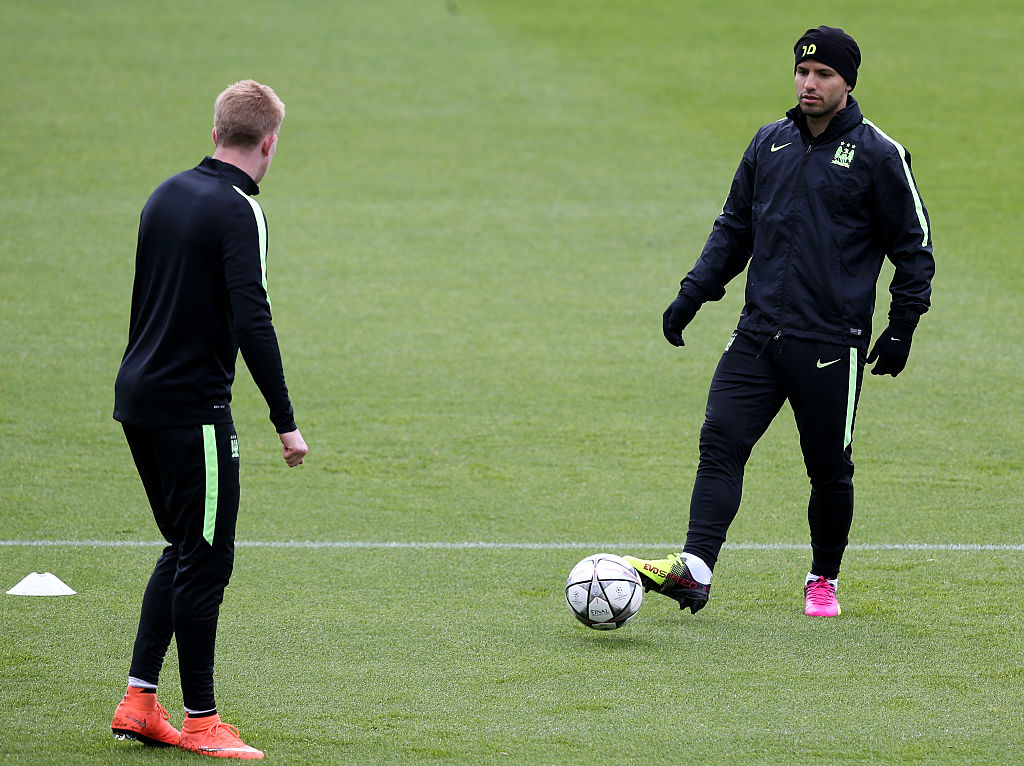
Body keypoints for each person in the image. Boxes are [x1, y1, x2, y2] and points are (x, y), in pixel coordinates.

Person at [624, 27, 934, 618]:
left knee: (828, 469)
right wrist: (693, 294)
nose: (809, 83)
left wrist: (903, 326)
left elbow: (913, 247)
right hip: (757, 335)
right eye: (802, 72)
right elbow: (734, 228)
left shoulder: (878, 154)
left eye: (823, 75)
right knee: (720, 442)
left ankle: (823, 578)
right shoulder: (770, 142)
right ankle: (695, 569)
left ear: (848, 83)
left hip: (830, 342)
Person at [110, 79, 308, 759]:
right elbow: (253, 317)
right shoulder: (239, 209)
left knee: (183, 549)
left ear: (216, 132)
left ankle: (140, 703)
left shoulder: (165, 193)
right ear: (269, 143)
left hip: (139, 397)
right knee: (207, 561)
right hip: (192, 408)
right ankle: (202, 721)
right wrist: (284, 420)